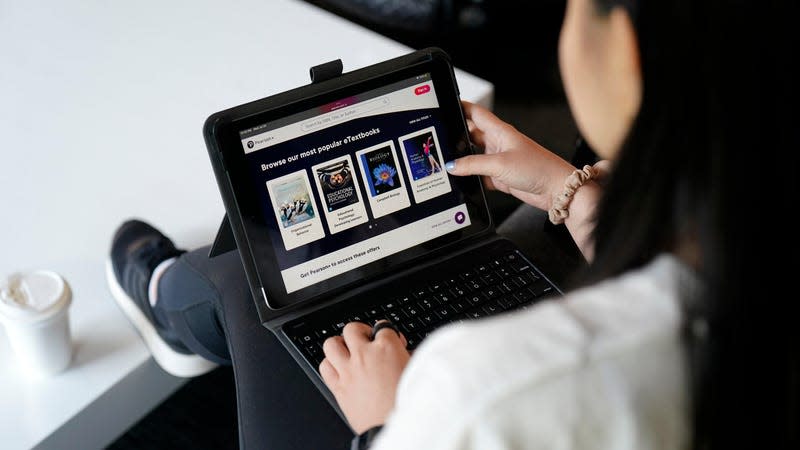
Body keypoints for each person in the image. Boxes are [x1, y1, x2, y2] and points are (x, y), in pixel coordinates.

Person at [108, 0, 797, 448]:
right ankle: (175, 298)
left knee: (238, 281)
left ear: (628, 54)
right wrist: (568, 190)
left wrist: (386, 420)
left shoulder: (479, 389)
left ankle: (168, 295)